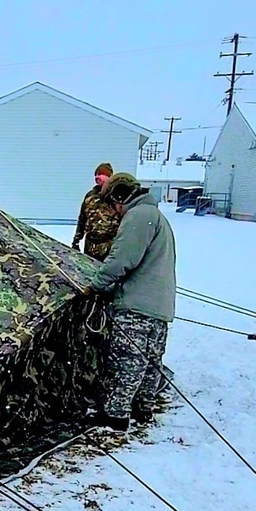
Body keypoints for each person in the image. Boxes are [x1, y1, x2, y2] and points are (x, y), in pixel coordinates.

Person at [84, 172, 176, 431]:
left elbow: (122, 259)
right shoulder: (157, 217)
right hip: (160, 305)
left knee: (126, 359)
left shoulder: (139, 216)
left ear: (121, 197)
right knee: (150, 360)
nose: (115, 211)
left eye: (114, 204)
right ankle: (143, 408)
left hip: (137, 305)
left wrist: (96, 285)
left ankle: (115, 415)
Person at [72, 162, 121, 261]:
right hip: (90, 245)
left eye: (103, 175)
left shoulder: (116, 197)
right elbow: (82, 219)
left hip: (110, 246)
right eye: (98, 175)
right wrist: (76, 241)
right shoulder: (90, 197)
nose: (99, 178)